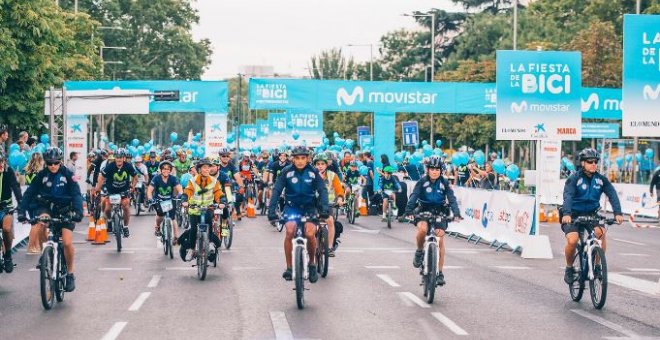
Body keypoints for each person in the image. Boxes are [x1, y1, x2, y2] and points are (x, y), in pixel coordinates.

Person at [18, 147, 83, 291]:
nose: (53, 166)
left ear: (60, 162)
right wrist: (21, 211)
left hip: (66, 209)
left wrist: (78, 212)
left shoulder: (68, 174)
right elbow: (29, 194)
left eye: (55, 163)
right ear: (45, 163)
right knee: (41, 222)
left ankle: (70, 274)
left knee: (66, 242)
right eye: (49, 163)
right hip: (47, 208)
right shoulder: (41, 175)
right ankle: (46, 252)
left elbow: (77, 194)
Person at [561, 148, 624, 284]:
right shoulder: (574, 179)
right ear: (583, 163)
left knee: (600, 233)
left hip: (591, 213)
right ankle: (569, 267)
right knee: (573, 240)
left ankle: (596, 267)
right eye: (590, 162)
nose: (594, 164)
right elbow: (568, 197)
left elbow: (612, 195)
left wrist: (617, 213)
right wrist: (566, 214)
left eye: (595, 161)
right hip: (573, 214)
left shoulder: (601, 180)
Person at [268, 146, 329, 283]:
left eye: (303, 158)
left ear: (307, 159)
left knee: (309, 234)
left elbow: (323, 190)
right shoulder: (286, 172)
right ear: (293, 159)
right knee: (289, 231)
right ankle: (289, 268)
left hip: (310, 207)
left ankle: (312, 264)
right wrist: (271, 211)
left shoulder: (313, 172)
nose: (300, 161)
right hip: (292, 207)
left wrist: (324, 208)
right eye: (297, 158)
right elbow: (277, 191)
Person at [405, 156, 462, 286]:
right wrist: (408, 210)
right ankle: (419, 251)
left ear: (441, 170)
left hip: (440, 210)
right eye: (432, 169)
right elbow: (414, 196)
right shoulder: (422, 181)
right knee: (423, 229)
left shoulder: (444, 182)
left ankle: (439, 272)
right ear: (428, 169)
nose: (435, 171)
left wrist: (456, 212)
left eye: (437, 169)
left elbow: (451, 198)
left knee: (440, 238)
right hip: (423, 209)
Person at [179, 158, 224, 262]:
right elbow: (187, 191)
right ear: (199, 169)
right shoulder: (193, 181)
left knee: (209, 227)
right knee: (194, 229)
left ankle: (210, 244)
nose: (207, 169)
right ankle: (191, 249)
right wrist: (185, 200)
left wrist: (222, 202)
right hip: (195, 209)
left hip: (208, 208)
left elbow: (218, 193)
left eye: (208, 167)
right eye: (204, 167)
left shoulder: (214, 181)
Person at [94, 148, 137, 237]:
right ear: (114, 158)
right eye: (117, 157)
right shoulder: (110, 166)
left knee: (125, 206)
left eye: (121, 157)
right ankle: (109, 220)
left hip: (123, 191)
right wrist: (98, 188)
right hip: (111, 191)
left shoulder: (128, 166)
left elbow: (135, 177)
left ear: (124, 158)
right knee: (107, 209)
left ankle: (125, 227)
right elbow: (101, 177)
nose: (119, 159)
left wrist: (133, 186)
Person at [313, 153, 344, 257]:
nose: (320, 166)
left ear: (326, 165)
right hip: (313, 204)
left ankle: (330, 247)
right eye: (318, 164)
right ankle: (311, 245)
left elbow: (339, 189)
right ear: (314, 165)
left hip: (328, 204)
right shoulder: (310, 175)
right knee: (310, 224)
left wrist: (340, 198)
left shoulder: (332, 175)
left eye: (322, 164)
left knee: (330, 221)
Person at [147, 160, 183, 238]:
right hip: (158, 200)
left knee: (172, 218)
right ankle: (157, 226)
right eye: (164, 168)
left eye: (168, 169)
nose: (166, 170)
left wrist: (180, 194)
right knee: (160, 215)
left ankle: (176, 237)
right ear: (161, 170)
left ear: (170, 170)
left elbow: (179, 188)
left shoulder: (173, 178)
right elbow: (150, 190)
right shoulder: (156, 178)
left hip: (170, 200)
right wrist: (150, 198)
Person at [0, 152, 23, 272]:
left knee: (7, 229)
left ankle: (8, 255)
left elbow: (16, 188)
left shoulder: (9, 172)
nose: (0, 165)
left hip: (5, 207)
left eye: (1, 162)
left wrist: (21, 205)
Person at [23, 152, 46, 253]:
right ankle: (31, 247)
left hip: (29, 198)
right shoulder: (39, 174)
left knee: (35, 223)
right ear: (40, 161)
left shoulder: (28, 172)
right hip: (36, 199)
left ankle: (35, 245)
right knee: (35, 224)